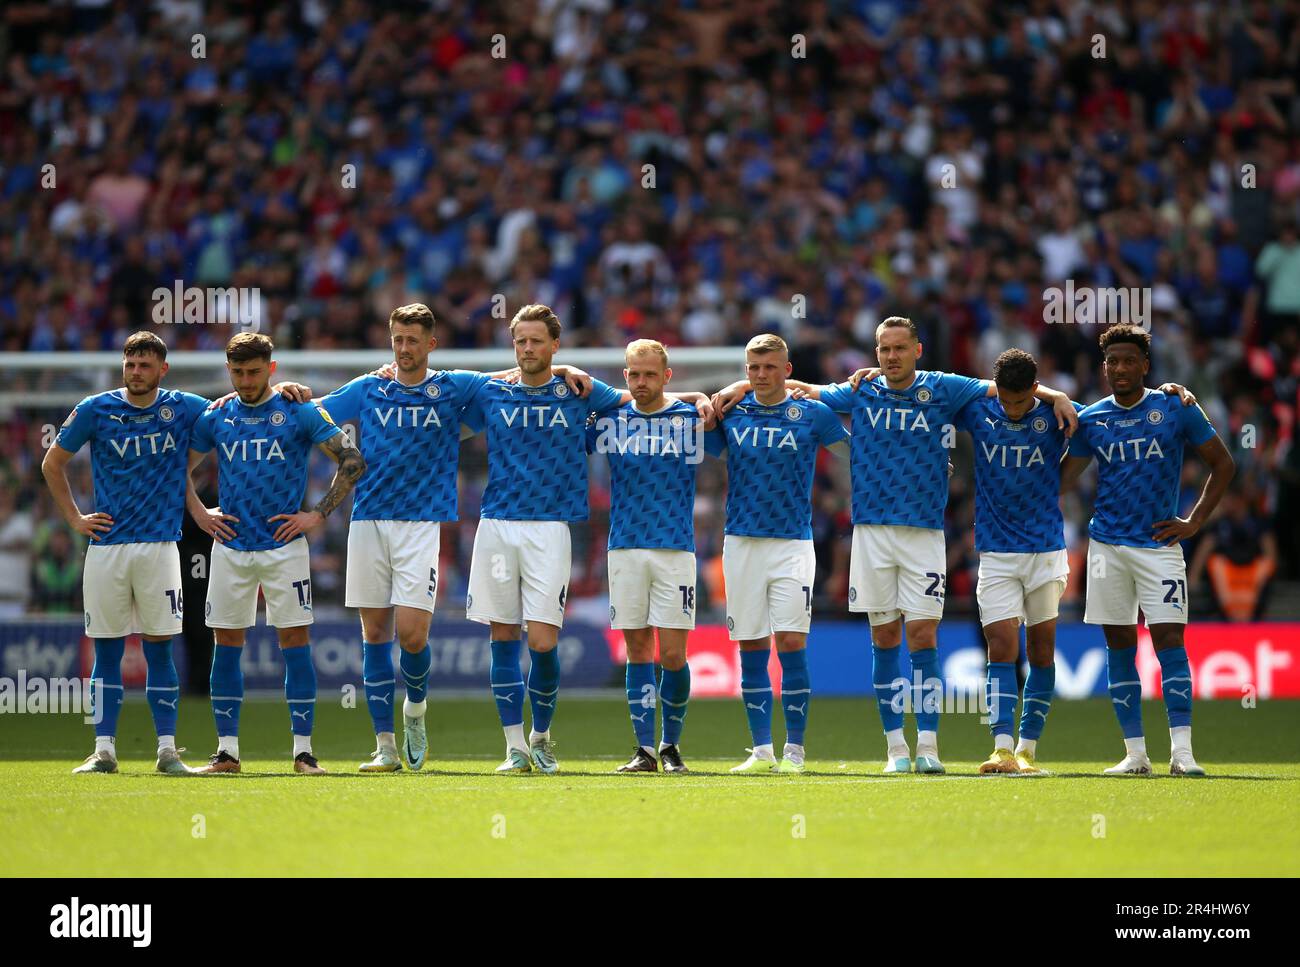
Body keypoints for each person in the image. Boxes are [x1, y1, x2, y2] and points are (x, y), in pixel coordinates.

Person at [187, 333, 365, 775]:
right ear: (229, 371)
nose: (246, 380)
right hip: (229, 546)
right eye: (238, 372)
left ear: (272, 368)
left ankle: (303, 753)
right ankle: (226, 753)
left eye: (254, 371)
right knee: (226, 644)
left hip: (285, 546)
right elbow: (176, 466)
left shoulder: (298, 410)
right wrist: (199, 513)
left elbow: (353, 459)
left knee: (295, 643)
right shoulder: (218, 414)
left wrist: (317, 515)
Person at [1061, 324, 1235, 776]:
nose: (1119, 368)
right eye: (1112, 361)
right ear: (1104, 367)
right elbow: (1061, 480)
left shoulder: (1174, 406)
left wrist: (1194, 521)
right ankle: (1136, 755)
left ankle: (1182, 754)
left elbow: (1223, 463)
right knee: (1118, 646)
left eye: (1128, 360)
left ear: (1145, 365)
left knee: (1170, 642)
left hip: (1159, 546)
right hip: (1105, 548)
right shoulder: (1092, 420)